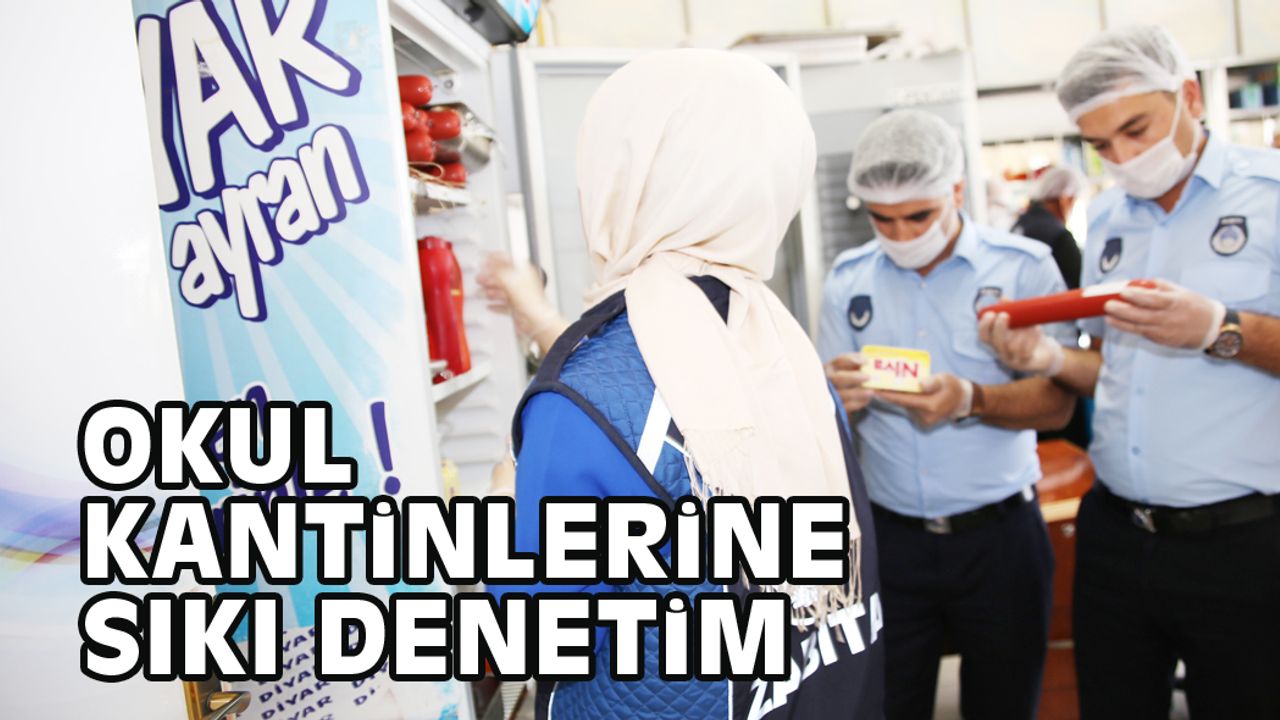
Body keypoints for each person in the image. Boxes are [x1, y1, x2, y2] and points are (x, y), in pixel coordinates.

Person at [495, 49, 885, 720]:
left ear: (620, 177)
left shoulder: (579, 403)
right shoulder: (786, 354)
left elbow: (530, 630)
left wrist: (503, 494)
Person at [979, 25, 1280, 719]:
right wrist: (1048, 358)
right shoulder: (1111, 213)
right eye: (1101, 144)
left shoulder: (1269, 195)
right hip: (1117, 535)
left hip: (1241, 542)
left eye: (1136, 129)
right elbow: (1119, 369)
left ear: (1190, 97)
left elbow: (1217, 335)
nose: (1123, 156)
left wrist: (1220, 329)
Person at [819, 109, 1076, 720]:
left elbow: (1059, 405)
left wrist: (971, 399)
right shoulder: (848, 280)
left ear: (957, 192)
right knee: (888, 703)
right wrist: (831, 403)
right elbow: (827, 419)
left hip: (1001, 538)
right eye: (882, 219)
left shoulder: (1024, 268)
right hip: (892, 541)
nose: (901, 234)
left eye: (919, 216)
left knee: (1004, 703)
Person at [1012, 165, 1092, 449]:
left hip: (1015, 351)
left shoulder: (1019, 226)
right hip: (1054, 352)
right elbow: (1083, 292)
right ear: (1064, 199)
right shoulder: (1058, 236)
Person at [1012, 165, 1087, 291]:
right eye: (1072, 201)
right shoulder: (1059, 235)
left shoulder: (1021, 223)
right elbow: (1081, 281)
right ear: (1064, 199)